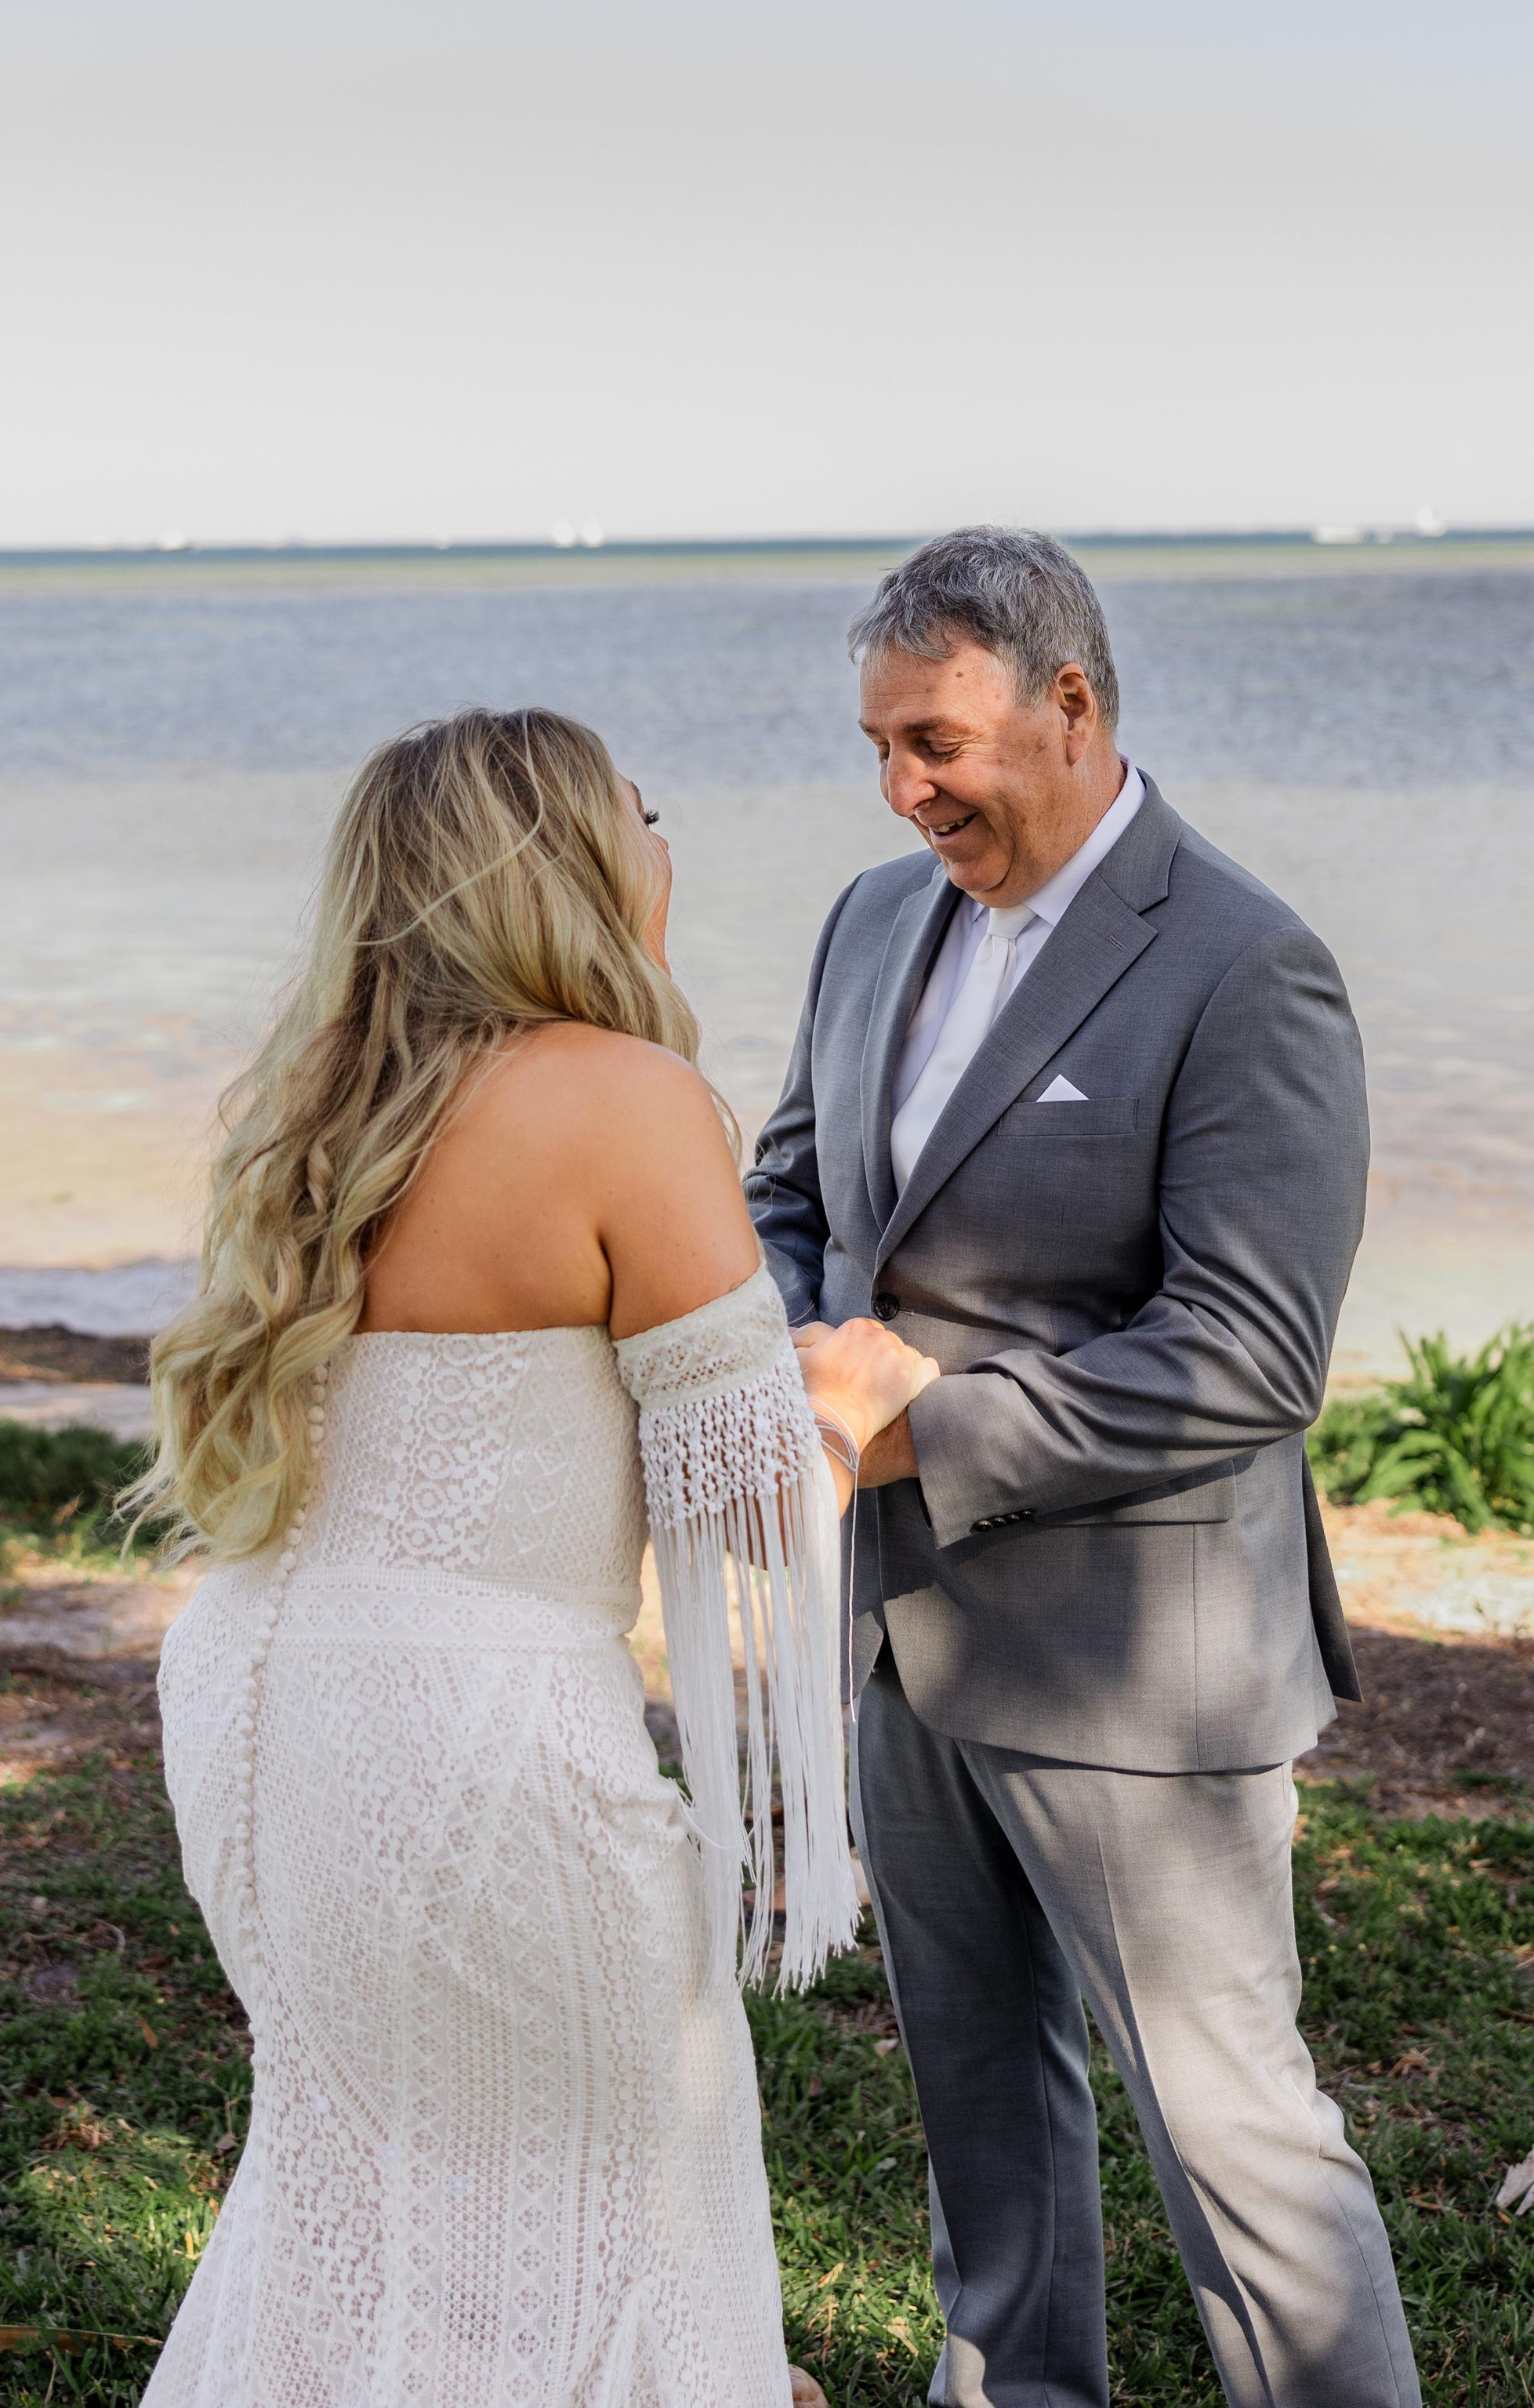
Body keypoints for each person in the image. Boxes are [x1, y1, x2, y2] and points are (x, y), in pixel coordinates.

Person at [133, 706, 938, 2408]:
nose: (665, 848)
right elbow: (746, 1511)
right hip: (480, 1758)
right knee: (627, 2190)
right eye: (646, 814)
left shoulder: (314, 1102)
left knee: (352, 2181)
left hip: (256, 1723)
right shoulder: (628, 1098)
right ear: (569, 857)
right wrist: (855, 1400)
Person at [748, 527, 1421, 2408]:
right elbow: (795, 1190)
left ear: (1071, 703)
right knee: (984, 2137)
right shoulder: (871, 918)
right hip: (905, 1636)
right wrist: (789, 1340)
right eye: (880, 745)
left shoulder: (1245, 963)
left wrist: (918, 1425)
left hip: (1140, 1674)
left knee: (1244, 2163)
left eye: (939, 741)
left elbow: (1250, 1355)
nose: (905, 788)